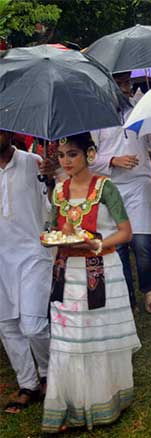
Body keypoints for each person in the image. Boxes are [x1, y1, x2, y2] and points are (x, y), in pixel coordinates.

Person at [41, 133, 141, 433]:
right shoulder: (59, 190)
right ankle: (69, 404)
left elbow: (126, 232)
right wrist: (56, 234)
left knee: (97, 335)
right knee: (68, 340)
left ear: (90, 154)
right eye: (61, 156)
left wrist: (97, 245)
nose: (66, 161)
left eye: (72, 154)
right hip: (67, 273)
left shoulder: (105, 188)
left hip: (103, 269)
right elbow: (61, 230)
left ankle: (103, 400)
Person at [90, 72, 151, 313]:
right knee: (119, 244)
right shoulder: (97, 116)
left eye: (127, 83)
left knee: (142, 240)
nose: (124, 88)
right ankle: (126, 297)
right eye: (119, 83)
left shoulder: (140, 110)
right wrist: (113, 160)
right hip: (111, 185)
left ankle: (149, 288)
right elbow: (89, 158)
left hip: (140, 180)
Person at [0, 130, 52, 414]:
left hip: (33, 252)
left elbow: (54, 207)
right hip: (1, 257)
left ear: (9, 131)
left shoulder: (35, 163)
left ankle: (48, 373)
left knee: (32, 325)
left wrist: (52, 178)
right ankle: (27, 384)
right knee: (7, 325)